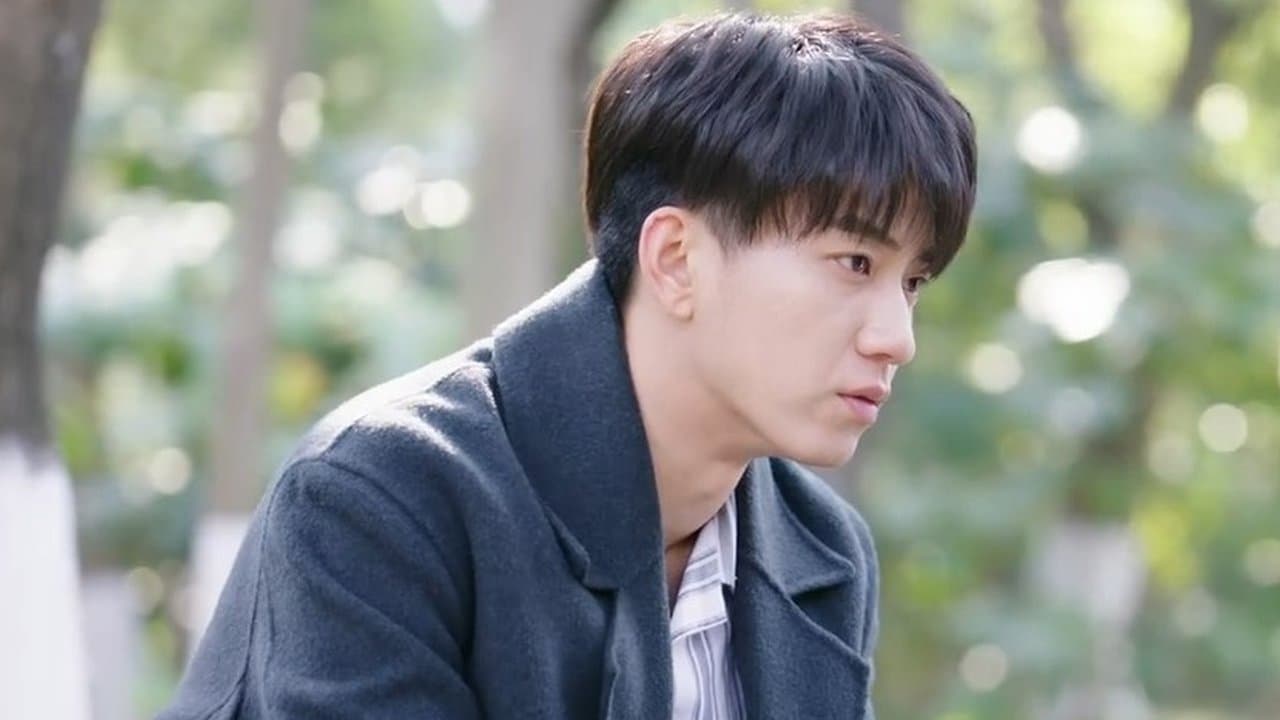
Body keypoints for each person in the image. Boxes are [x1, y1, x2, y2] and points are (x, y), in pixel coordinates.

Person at [160, 10, 975, 720]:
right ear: (677, 258)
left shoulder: (822, 551)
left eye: (912, 282)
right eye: (855, 263)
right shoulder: (382, 497)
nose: (896, 336)